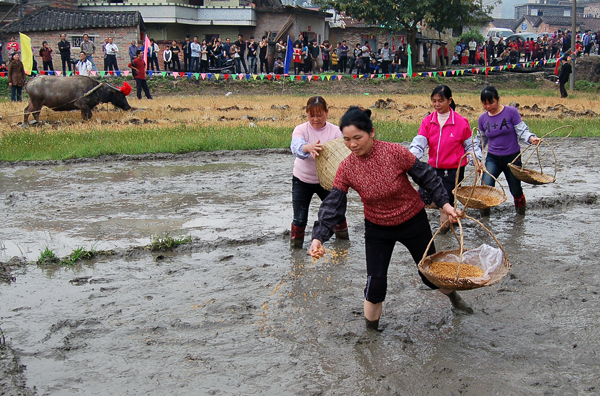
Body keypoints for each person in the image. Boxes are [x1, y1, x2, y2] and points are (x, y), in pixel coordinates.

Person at [309, 107, 471, 331]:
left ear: (372, 132)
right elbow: (333, 204)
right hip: (377, 229)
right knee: (375, 283)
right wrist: (318, 237)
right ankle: (370, 334)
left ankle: (455, 300)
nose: (352, 145)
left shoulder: (395, 152)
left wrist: (445, 204)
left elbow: (426, 176)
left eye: (358, 138)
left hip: (413, 221)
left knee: (429, 275)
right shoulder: (346, 168)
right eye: (346, 139)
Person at [410, 85, 481, 231]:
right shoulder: (428, 121)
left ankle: (443, 235)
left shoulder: (461, 122)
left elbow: (470, 146)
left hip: (453, 171)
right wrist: (410, 158)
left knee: (445, 205)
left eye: (440, 101)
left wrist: (477, 160)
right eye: (434, 101)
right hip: (433, 169)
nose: (436, 104)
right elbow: (419, 142)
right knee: (421, 200)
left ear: (449, 100)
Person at [289, 96, 349, 248]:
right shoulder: (301, 129)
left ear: (327, 112)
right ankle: (296, 252)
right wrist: (306, 148)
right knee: (299, 219)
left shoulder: (336, 131)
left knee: (338, 216)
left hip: (328, 181)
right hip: (302, 180)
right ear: (307, 114)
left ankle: (343, 246)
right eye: (311, 115)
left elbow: (343, 152)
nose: (315, 119)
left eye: (319, 115)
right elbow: (296, 146)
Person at [475, 86, 540, 216]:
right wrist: (476, 158)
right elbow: (480, 141)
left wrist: (531, 138)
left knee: (515, 189)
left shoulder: (511, 112)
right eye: (484, 103)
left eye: (491, 102)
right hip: (493, 158)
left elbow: (522, 130)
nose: (488, 106)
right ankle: (485, 219)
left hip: (512, 158)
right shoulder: (483, 119)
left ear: (498, 99)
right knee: (486, 187)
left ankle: (521, 217)